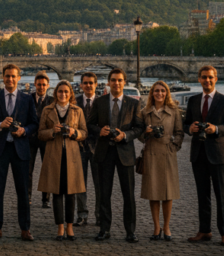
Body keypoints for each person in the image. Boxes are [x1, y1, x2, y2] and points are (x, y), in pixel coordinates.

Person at [184, 65, 224, 246]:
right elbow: (185, 124)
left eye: (210, 77)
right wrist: (190, 129)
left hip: (218, 154)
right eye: (203, 77)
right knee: (203, 195)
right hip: (198, 153)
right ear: (199, 79)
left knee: (221, 195)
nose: (207, 80)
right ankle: (204, 230)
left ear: (215, 79)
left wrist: (216, 129)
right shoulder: (193, 100)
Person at [87, 68, 144, 243]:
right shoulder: (100, 101)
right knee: (104, 194)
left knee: (129, 195)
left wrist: (125, 136)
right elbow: (90, 124)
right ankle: (104, 229)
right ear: (108, 82)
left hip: (125, 153)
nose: (116, 83)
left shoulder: (133, 103)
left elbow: (139, 128)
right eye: (113, 80)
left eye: (119, 80)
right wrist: (100, 130)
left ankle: (130, 231)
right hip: (104, 153)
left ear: (124, 82)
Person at [0, 63, 39, 242]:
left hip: (20, 149)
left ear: (19, 78)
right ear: (3, 77)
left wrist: (24, 131)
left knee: (23, 191)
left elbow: (34, 124)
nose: (10, 79)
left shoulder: (27, 99)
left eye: (13, 76)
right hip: (0, 149)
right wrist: (0, 125)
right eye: (7, 76)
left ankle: (25, 228)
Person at [37, 80, 87, 240]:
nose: (63, 94)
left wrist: (73, 132)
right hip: (54, 155)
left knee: (71, 193)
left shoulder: (77, 110)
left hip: (72, 156)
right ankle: (60, 228)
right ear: (56, 93)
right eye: (60, 91)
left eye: (66, 91)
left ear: (70, 93)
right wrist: (52, 131)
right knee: (57, 192)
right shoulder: (47, 110)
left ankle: (70, 227)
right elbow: (40, 133)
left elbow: (84, 132)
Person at [138, 80, 184, 241]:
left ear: (167, 93)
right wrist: (146, 132)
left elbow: (179, 132)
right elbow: (139, 135)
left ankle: (167, 226)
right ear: (152, 93)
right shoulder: (145, 112)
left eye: (162, 91)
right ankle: (156, 227)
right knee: (154, 192)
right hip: (151, 153)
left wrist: (174, 145)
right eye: (156, 91)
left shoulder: (174, 111)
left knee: (167, 192)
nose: (159, 94)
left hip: (167, 153)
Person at [73, 72, 100, 226]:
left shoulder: (102, 102)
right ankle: (82, 214)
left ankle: (99, 215)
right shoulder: (74, 102)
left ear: (95, 84)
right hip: (79, 148)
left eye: (91, 83)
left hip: (98, 148)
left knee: (99, 184)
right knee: (80, 184)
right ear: (81, 85)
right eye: (85, 83)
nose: (88, 85)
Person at [29, 72, 53, 209]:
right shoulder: (27, 99)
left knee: (47, 170)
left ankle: (46, 199)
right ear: (35, 85)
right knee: (28, 170)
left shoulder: (52, 101)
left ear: (48, 86)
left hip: (47, 140)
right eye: (39, 85)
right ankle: (28, 198)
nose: (41, 87)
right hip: (31, 139)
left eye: (44, 85)